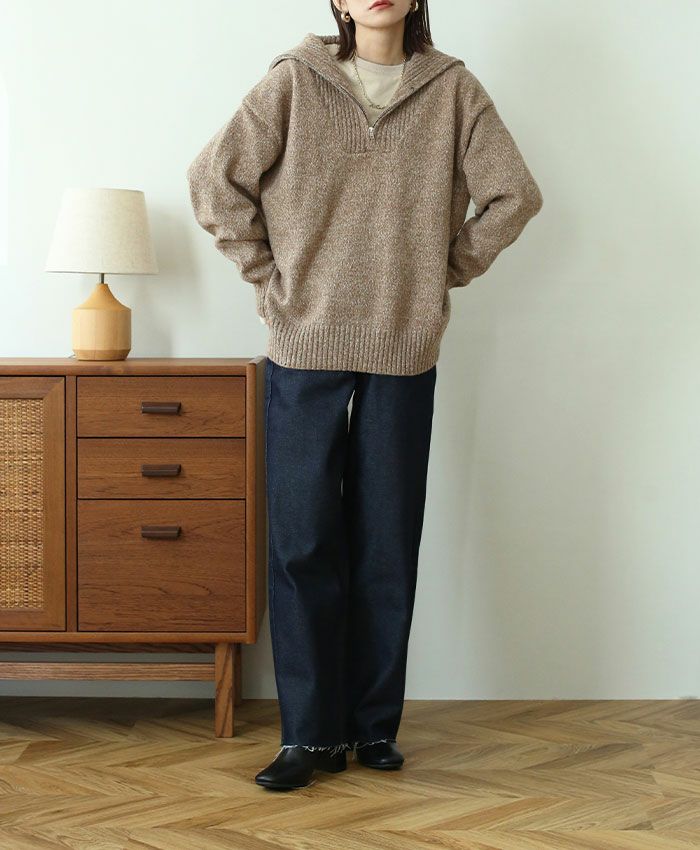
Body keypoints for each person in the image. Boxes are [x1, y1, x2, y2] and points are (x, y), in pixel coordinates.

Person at [186, 0, 543, 791]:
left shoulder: (453, 89)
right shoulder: (292, 82)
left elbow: (515, 193)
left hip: (403, 347)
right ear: (339, 3)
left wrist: (439, 274)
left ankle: (372, 726)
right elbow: (214, 181)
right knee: (303, 543)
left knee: (386, 541)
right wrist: (269, 280)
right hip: (302, 346)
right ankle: (309, 737)